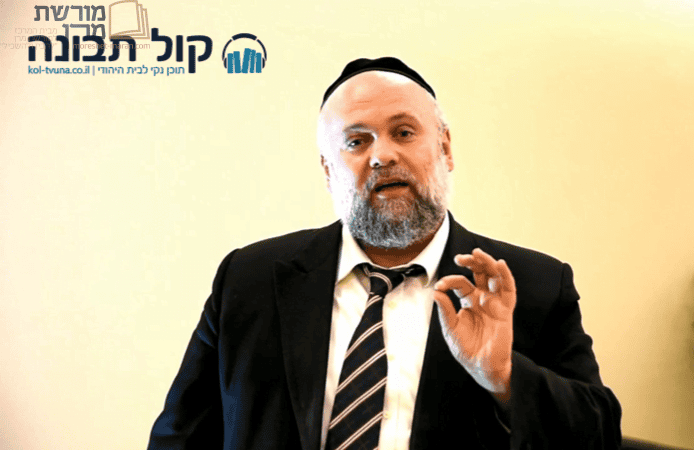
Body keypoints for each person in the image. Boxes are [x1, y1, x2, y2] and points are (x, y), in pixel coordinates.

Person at [147, 57, 622, 450]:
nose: (383, 156)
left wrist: (505, 377)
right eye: (357, 142)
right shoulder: (250, 279)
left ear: (445, 148)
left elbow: (597, 437)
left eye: (404, 132)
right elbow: (179, 437)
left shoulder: (530, 285)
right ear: (328, 170)